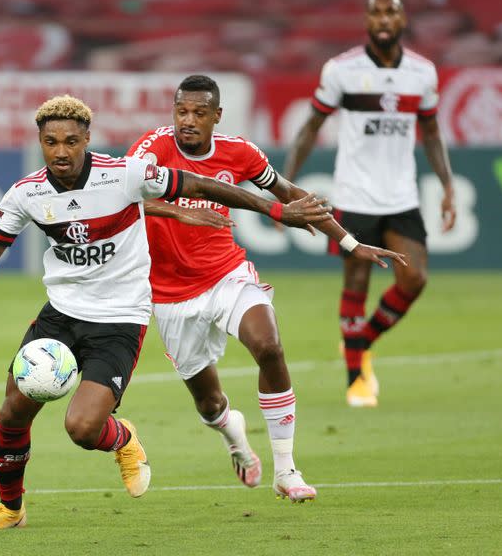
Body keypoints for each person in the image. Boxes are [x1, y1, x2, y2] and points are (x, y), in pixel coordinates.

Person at [0, 95, 336, 529]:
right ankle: (9, 509)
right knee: (12, 411)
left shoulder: (125, 174)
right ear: (40, 141)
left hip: (118, 321)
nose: (60, 151)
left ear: (87, 139)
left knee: (82, 428)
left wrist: (276, 208)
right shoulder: (26, 193)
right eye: (51, 141)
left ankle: (123, 439)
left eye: (71, 141)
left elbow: (201, 186)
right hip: (59, 315)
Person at [126, 75, 406, 502]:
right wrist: (179, 214)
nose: (188, 121)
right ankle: (234, 437)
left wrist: (349, 242)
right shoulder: (152, 149)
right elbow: (122, 197)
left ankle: (286, 470)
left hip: (226, 276)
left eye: (199, 113)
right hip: (171, 296)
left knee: (269, 346)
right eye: (181, 111)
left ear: (217, 116)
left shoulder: (239, 152)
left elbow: (291, 196)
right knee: (210, 404)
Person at [283, 0, 456, 407]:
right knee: (356, 280)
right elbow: (310, 127)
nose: (382, 19)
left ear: (402, 20)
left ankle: (358, 340)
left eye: (390, 13)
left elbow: (431, 133)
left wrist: (448, 185)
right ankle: (356, 375)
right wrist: (286, 185)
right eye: (376, 12)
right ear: (366, 21)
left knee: (414, 279)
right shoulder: (341, 70)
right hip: (355, 193)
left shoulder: (423, 73)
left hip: (401, 195)